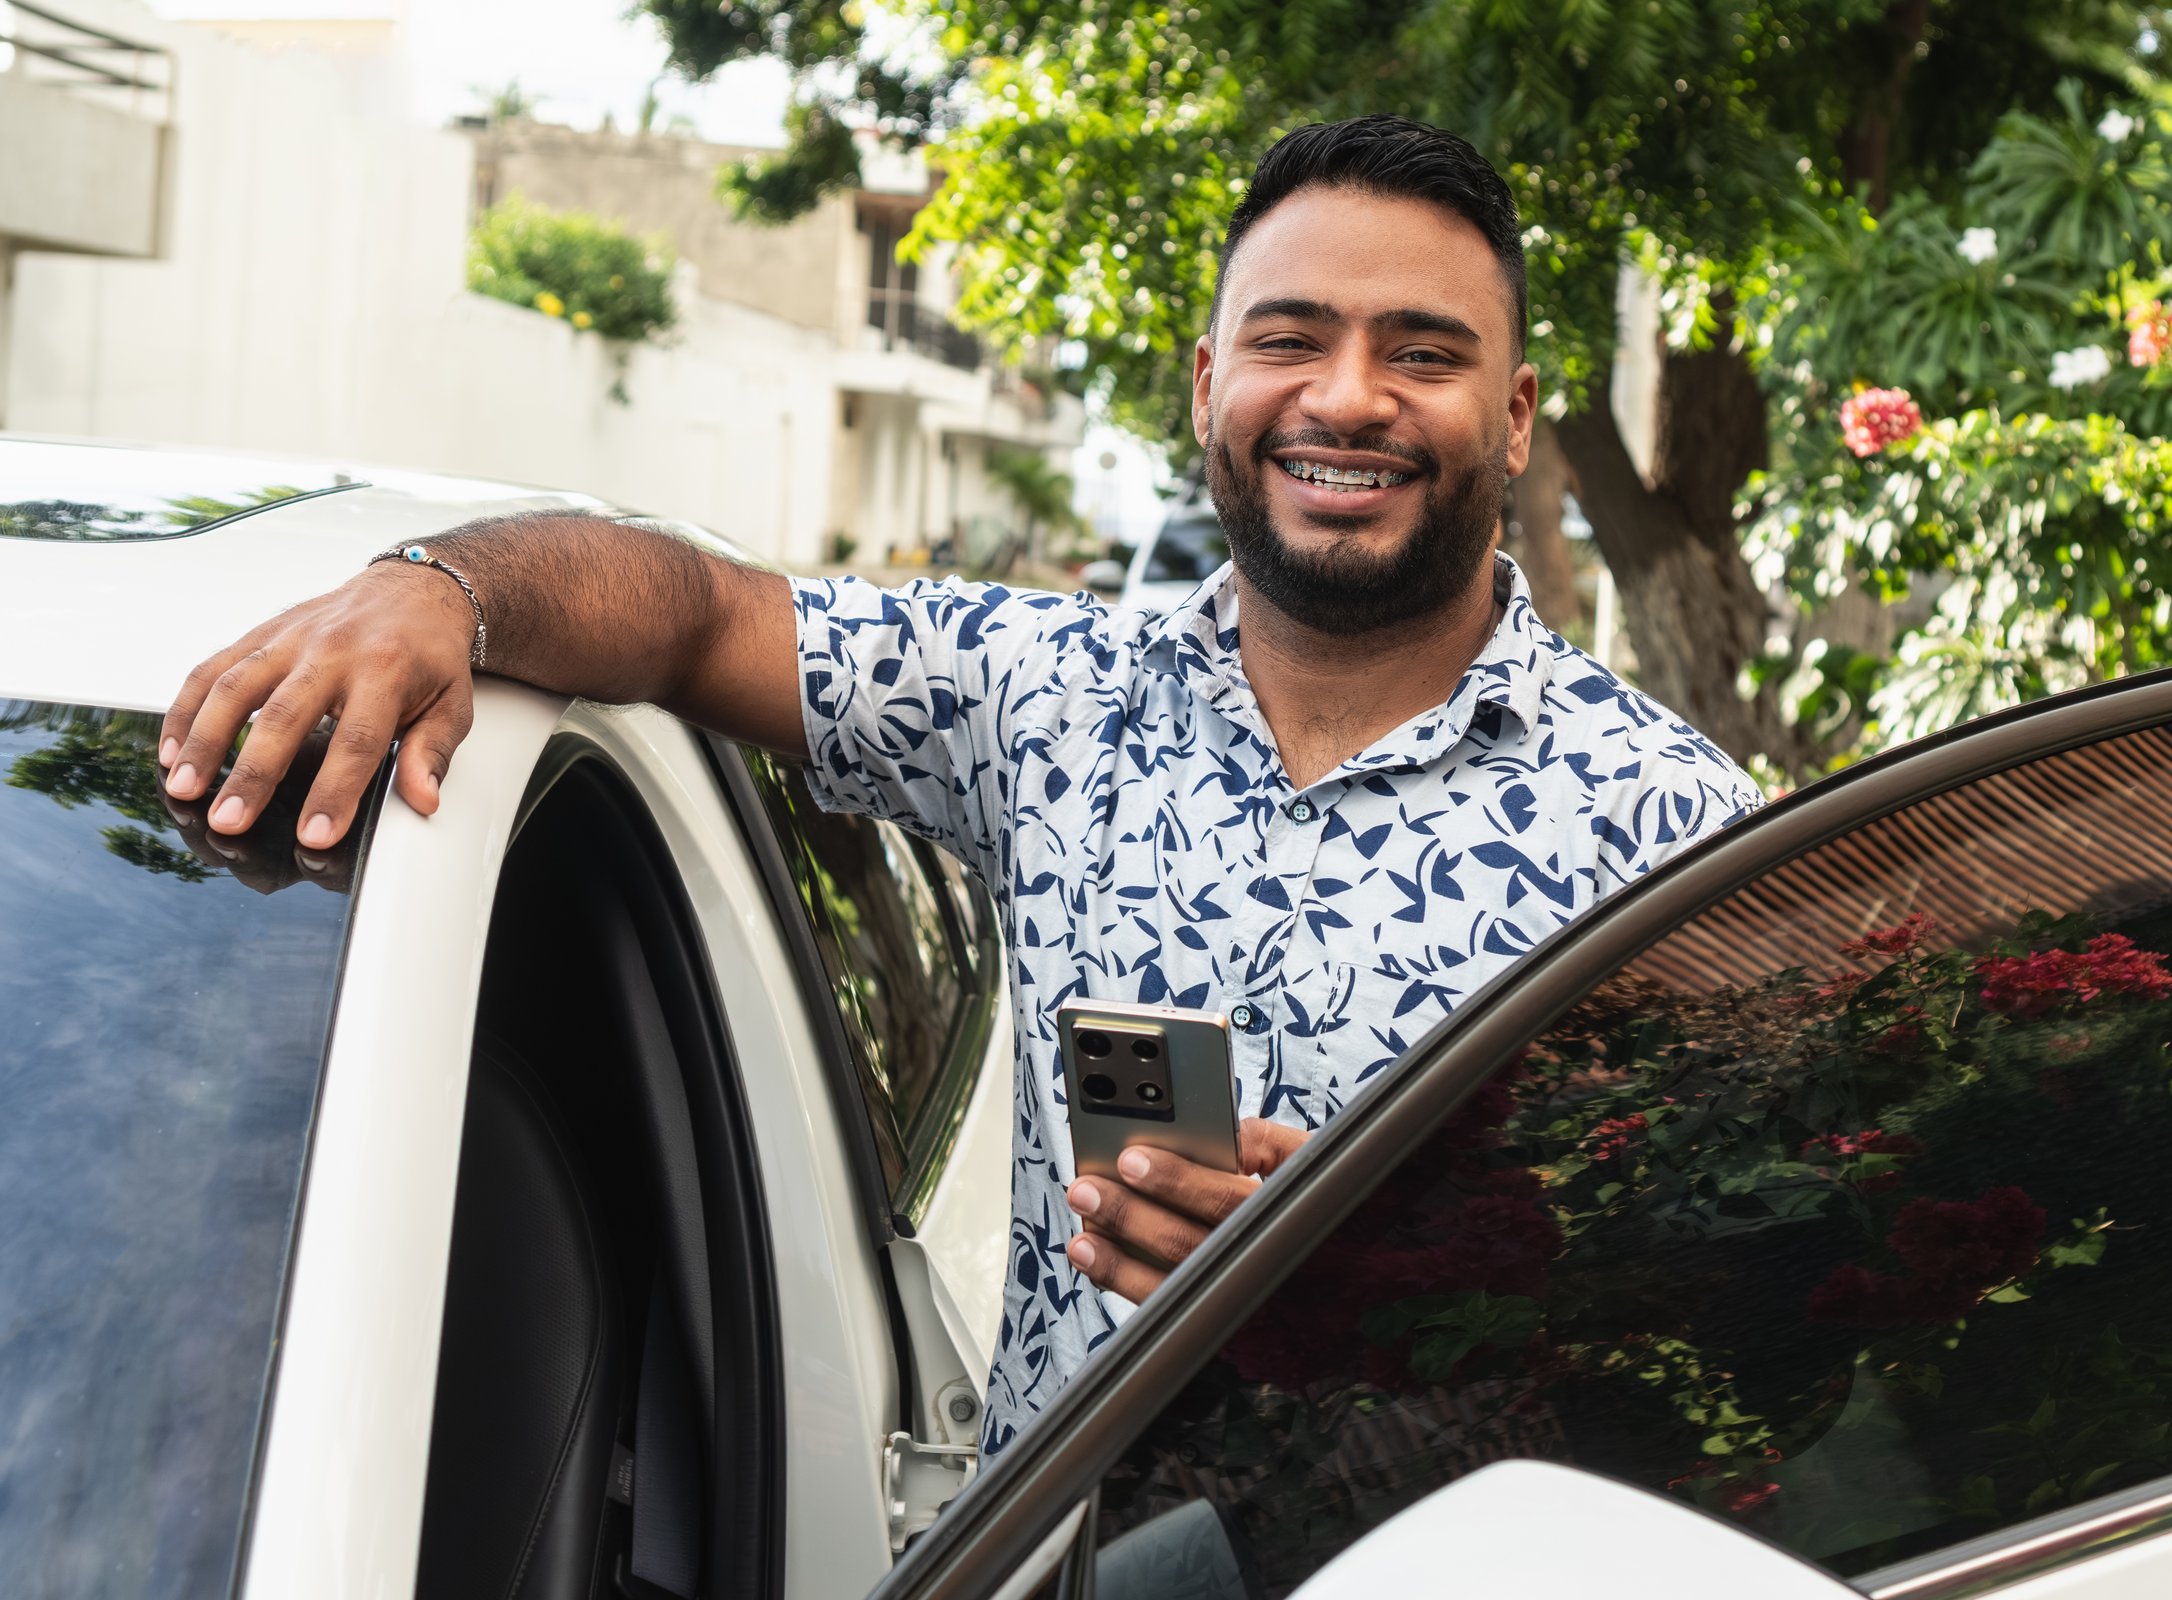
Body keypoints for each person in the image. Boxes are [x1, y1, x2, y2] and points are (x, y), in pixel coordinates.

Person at [158, 114, 1760, 1453]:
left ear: (1518, 412)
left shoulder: (1672, 829)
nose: (1346, 398)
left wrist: (1392, 1301)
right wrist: (441, 590)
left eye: (1424, 352)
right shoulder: (1044, 696)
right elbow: (703, 613)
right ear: (1210, 385)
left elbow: (1753, 1316)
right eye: (1292, 339)